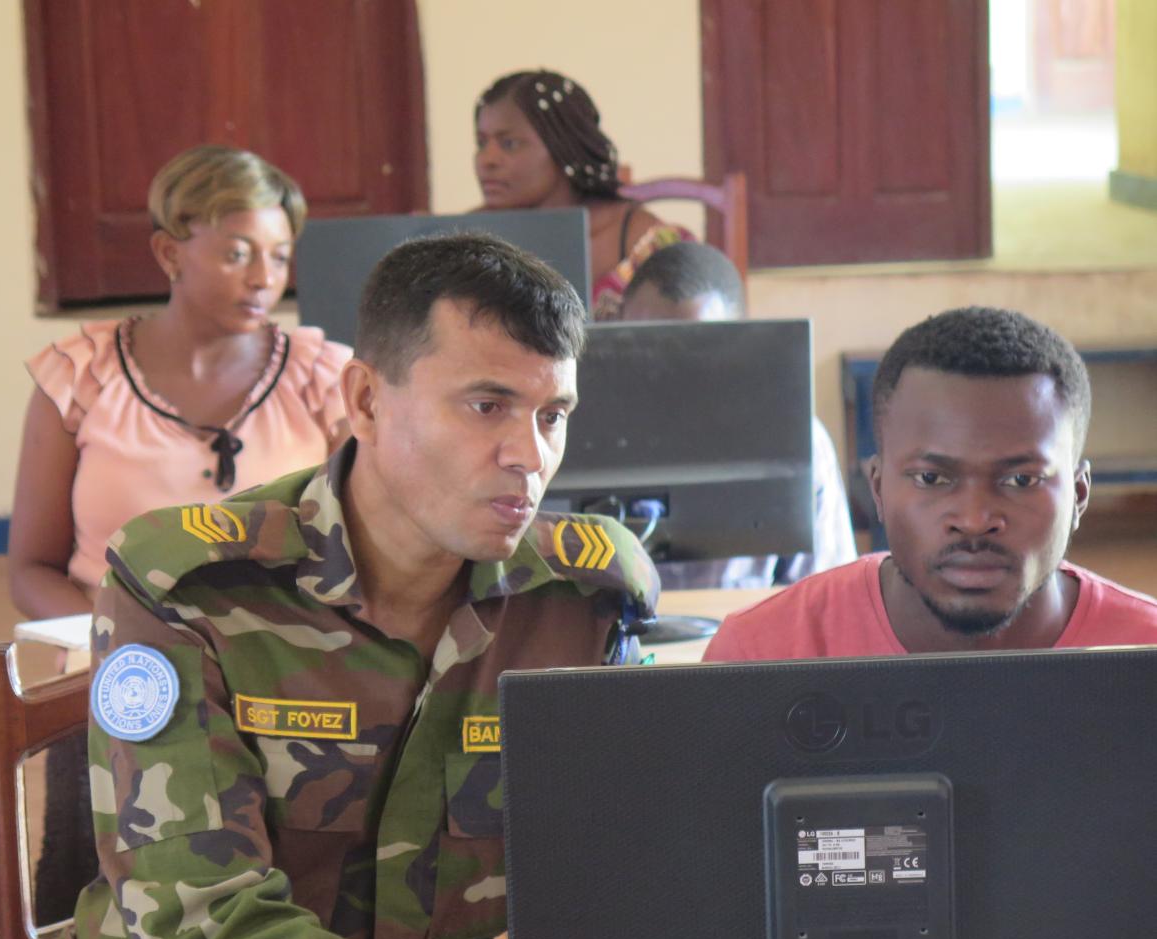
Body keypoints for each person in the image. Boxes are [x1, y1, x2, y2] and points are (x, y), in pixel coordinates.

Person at [70, 233, 660, 939]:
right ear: (367, 401)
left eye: (552, 416)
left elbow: (629, 859)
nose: (530, 456)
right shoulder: (190, 589)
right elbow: (201, 920)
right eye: (486, 406)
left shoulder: (586, 598)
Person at [8, 145, 352, 923]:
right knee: (103, 896)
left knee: (278, 897)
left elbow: (354, 545)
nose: (264, 278)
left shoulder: (325, 379)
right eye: (237, 253)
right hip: (118, 679)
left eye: (279, 255)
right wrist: (118, 646)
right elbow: (29, 566)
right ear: (169, 253)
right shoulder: (80, 375)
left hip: (282, 677)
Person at [704, 306, 1157, 661]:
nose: (974, 520)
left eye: (1021, 479)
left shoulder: (1145, 652)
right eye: (931, 478)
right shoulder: (761, 653)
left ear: (1079, 495)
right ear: (877, 489)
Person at [616, 241, 857, 589]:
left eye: (697, 348)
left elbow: (827, 592)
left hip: (747, 623)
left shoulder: (795, 437)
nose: (669, 373)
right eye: (644, 345)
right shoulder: (570, 430)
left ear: (738, 340)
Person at [473, 69, 694, 319]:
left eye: (509, 143)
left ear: (563, 145)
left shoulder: (646, 242)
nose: (487, 160)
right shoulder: (466, 240)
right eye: (481, 143)